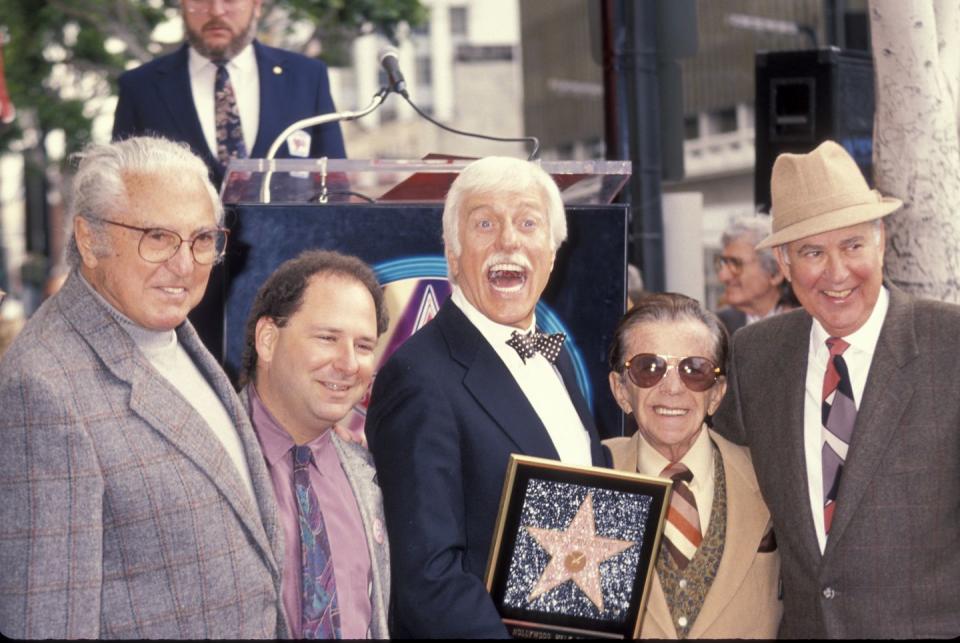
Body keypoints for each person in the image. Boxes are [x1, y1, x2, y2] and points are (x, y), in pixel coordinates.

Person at [0, 137, 285, 639]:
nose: (185, 264)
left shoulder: (177, 335)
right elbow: (47, 622)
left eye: (202, 239)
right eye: (157, 236)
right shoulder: (42, 390)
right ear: (89, 240)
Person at [713, 140, 960, 638]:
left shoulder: (949, 346)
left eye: (852, 245)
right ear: (783, 263)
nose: (837, 273)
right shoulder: (753, 357)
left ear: (881, 241)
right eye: (812, 252)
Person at [365, 156, 608, 638]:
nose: (508, 240)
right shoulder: (418, 378)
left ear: (553, 254)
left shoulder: (555, 359)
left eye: (527, 222)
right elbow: (428, 583)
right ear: (452, 255)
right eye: (484, 223)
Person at [603, 293, 781, 638]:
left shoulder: (768, 476)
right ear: (621, 390)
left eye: (694, 370)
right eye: (648, 368)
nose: (672, 388)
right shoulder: (585, 477)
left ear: (716, 394)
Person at [238, 250, 391, 639]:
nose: (348, 363)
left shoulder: (369, 475)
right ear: (267, 339)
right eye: (327, 338)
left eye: (363, 346)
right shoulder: (208, 454)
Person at [113, 0, 346, 188]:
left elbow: (336, 186)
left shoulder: (306, 77)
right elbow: (123, 189)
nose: (216, 10)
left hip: (290, 244)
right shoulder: (140, 88)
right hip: (181, 245)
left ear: (256, 5)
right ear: (182, 6)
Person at [714, 214, 792, 335]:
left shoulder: (811, 325)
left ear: (775, 273)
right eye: (723, 263)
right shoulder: (715, 329)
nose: (723, 276)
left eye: (735, 264)